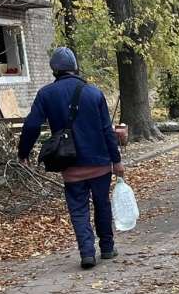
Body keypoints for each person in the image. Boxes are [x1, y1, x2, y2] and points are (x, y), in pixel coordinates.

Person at [18, 47, 124, 269]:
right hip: (100, 164)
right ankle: (106, 248)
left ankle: (87, 253)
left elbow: (31, 125)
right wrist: (116, 161)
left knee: (78, 208)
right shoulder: (94, 93)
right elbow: (107, 131)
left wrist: (24, 153)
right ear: (75, 67)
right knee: (102, 204)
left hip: (70, 163)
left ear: (54, 70)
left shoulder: (46, 94)